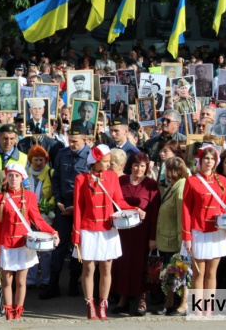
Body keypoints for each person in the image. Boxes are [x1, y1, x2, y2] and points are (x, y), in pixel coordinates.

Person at [73, 145, 141, 320]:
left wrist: (134, 209)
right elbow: (79, 209)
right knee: (88, 268)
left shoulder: (111, 177)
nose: (109, 165)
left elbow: (118, 200)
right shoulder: (81, 179)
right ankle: (90, 304)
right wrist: (76, 234)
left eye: (110, 161)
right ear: (95, 161)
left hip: (108, 228)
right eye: (105, 161)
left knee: (106, 268)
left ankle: (103, 304)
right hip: (88, 228)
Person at [0, 163, 58, 320]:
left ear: (22, 178)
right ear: (6, 178)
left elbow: (38, 220)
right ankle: (8, 311)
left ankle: (18, 310)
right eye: (10, 175)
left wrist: (52, 231)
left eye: (16, 176)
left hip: (24, 245)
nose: (13, 179)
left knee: (21, 281)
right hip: (6, 244)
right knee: (7, 282)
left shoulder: (30, 196)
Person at [40, 128, 90, 300]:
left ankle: (73, 282)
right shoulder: (62, 154)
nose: (72, 144)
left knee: (78, 246)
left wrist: (78, 207)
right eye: (70, 140)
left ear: (84, 140)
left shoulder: (90, 156)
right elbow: (56, 179)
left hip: (82, 208)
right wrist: (59, 202)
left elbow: (91, 186)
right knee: (59, 245)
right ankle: (53, 284)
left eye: (75, 141)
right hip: (63, 206)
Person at [181, 146, 226, 316]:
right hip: (199, 231)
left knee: (211, 272)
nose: (209, 162)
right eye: (206, 159)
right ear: (200, 161)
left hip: (217, 231)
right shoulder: (192, 181)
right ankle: (197, 307)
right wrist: (186, 236)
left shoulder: (223, 181)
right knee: (199, 272)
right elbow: (186, 210)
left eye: (212, 159)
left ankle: (209, 307)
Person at [110, 152, 159, 316]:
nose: (139, 169)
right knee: (122, 265)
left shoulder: (151, 184)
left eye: (143, 166)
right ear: (130, 165)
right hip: (122, 231)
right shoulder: (121, 181)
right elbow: (113, 203)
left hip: (142, 232)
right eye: (136, 165)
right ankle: (122, 300)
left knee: (140, 265)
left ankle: (141, 299)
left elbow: (154, 214)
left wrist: (153, 237)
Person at [154, 157, 188, 316]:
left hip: (174, 240)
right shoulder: (173, 185)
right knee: (170, 274)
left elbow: (182, 217)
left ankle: (173, 304)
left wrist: (183, 242)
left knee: (176, 274)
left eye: (166, 169)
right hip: (166, 238)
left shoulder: (180, 187)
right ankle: (169, 303)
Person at [25, 145, 54, 290]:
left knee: (46, 251)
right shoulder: (24, 174)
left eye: (41, 160)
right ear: (30, 161)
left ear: (46, 161)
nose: (38, 163)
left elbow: (55, 194)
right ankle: (30, 280)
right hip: (27, 217)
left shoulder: (51, 173)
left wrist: (47, 207)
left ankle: (45, 280)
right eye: (35, 160)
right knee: (30, 248)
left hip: (46, 217)